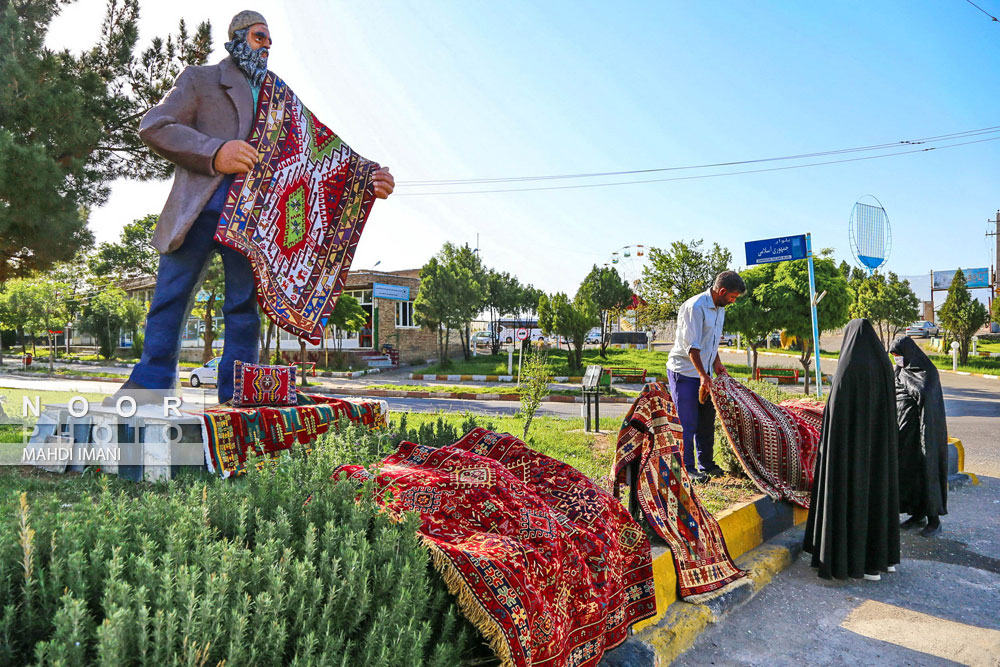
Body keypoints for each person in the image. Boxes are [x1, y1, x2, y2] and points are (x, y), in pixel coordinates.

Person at [110, 11, 395, 404]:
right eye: (261, 37)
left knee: (244, 307)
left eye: (270, 39)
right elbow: (155, 126)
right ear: (237, 37)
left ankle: (240, 394)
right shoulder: (200, 79)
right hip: (197, 209)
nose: (268, 45)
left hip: (254, 222)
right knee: (170, 299)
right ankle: (148, 388)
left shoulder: (279, 94)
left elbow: (318, 147)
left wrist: (366, 175)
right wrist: (215, 152)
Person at [803, 319, 900, 580]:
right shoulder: (884, 366)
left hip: (847, 454)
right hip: (878, 453)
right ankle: (879, 562)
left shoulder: (848, 367)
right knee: (877, 497)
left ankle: (847, 562)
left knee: (848, 497)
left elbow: (836, 415)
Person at [666, 271, 745, 481]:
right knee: (687, 423)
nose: (733, 301)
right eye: (732, 297)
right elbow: (692, 346)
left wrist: (716, 364)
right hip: (684, 372)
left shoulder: (720, 309)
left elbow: (710, 341)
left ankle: (707, 464)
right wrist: (702, 375)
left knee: (706, 422)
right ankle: (687, 468)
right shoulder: (695, 307)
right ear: (722, 291)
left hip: (705, 374)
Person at [889, 336, 948, 538]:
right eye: (894, 356)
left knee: (926, 472)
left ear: (909, 353)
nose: (896, 359)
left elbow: (926, 395)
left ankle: (934, 520)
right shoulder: (899, 371)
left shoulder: (927, 372)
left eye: (898, 355)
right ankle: (917, 515)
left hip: (924, 434)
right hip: (905, 437)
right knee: (909, 475)